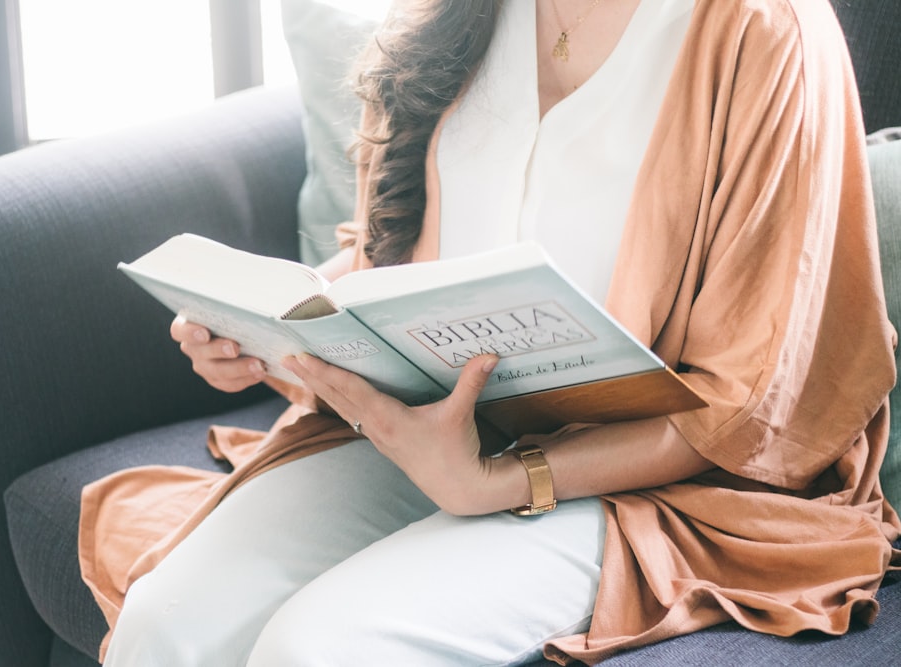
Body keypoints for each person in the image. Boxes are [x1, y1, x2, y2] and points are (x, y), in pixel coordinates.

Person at [80, 0, 901, 664]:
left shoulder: (766, 31)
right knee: (169, 622)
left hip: (640, 480)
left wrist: (497, 482)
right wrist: (268, 325)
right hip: (423, 427)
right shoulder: (455, 16)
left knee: (324, 647)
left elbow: (747, 400)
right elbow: (389, 255)